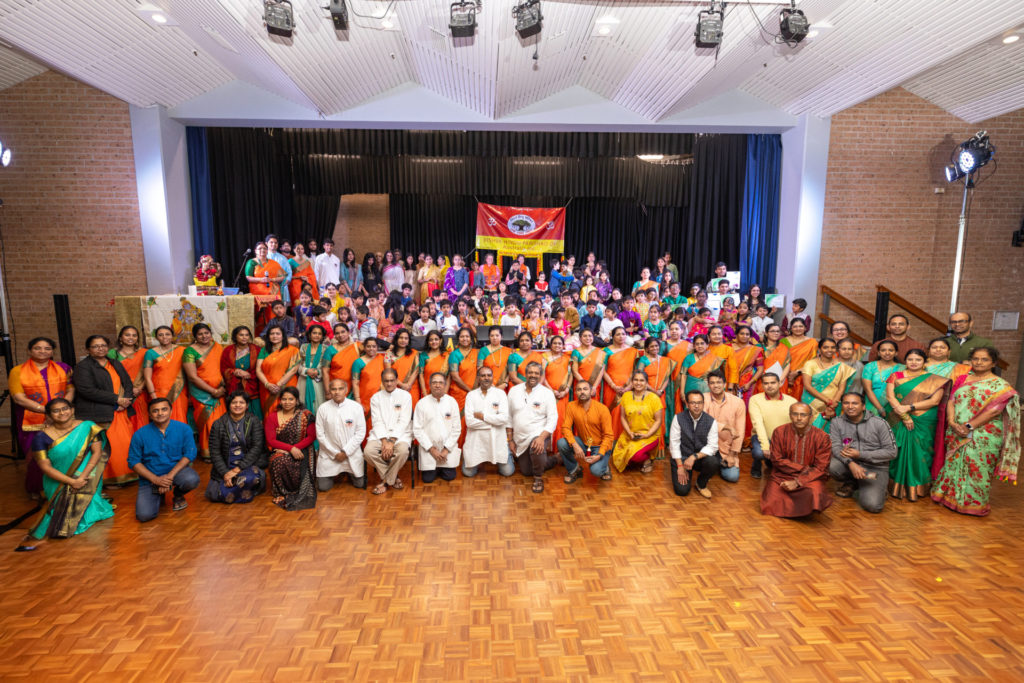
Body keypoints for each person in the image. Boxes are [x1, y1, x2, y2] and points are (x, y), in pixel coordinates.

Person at [931, 347, 1020, 516]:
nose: (979, 362)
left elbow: (994, 411)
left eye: (984, 359)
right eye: (976, 359)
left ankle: (974, 505)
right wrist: (951, 421)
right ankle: (948, 499)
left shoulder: (1001, 386)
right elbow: (951, 400)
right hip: (956, 429)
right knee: (953, 465)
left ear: (993, 363)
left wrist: (969, 427)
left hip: (984, 434)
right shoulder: (963, 379)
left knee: (977, 468)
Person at [15, 399, 112, 550]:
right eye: (56, 410)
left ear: (72, 410)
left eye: (65, 408)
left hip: (86, 476)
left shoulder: (88, 427)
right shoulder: (41, 437)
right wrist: (71, 481)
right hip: (57, 481)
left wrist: (82, 477)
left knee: (86, 510)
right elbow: (45, 467)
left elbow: (97, 452)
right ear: (48, 415)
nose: (62, 413)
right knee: (58, 519)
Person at [10, 337, 74, 496]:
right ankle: (37, 488)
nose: (43, 351)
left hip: (62, 418)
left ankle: (63, 486)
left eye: (47, 348)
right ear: (29, 351)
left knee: (62, 452)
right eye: (38, 348)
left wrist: (60, 410)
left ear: (53, 351)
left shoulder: (64, 368)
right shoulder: (18, 371)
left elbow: (70, 390)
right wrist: (47, 411)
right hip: (31, 420)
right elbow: (18, 397)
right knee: (37, 456)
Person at [73, 335, 136, 489]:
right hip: (99, 412)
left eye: (103, 345)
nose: (100, 348)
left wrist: (126, 400)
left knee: (125, 444)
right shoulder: (83, 367)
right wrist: (116, 399)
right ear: (88, 349)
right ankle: (109, 480)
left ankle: (128, 475)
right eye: (95, 346)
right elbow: (86, 390)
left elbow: (127, 383)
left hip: (121, 411)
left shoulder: (114, 363)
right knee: (107, 447)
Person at [886, 348, 947, 502]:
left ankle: (919, 487)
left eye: (918, 360)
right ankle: (895, 485)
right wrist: (904, 415)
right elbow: (890, 397)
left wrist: (909, 407)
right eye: (910, 359)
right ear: (905, 361)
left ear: (924, 362)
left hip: (924, 419)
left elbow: (934, 401)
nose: (914, 362)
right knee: (897, 450)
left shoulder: (934, 379)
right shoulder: (896, 376)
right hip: (898, 417)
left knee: (922, 451)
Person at [129, 398, 200, 521]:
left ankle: (178, 494)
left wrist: (169, 477)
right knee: (144, 515)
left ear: (171, 411)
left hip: (177, 473)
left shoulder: (184, 429)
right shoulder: (140, 434)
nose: (160, 413)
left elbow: (190, 454)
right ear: (150, 415)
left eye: (164, 409)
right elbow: (134, 462)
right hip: (151, 477)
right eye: (155, 411)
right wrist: (156, 480)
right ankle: (158, 493)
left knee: (191, 479)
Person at [760, 403, 833, 518]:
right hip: (782, 475)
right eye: (795, 414)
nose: (799, 418)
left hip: (810, 477)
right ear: (790, 415)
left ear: (811, 417)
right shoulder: (779, 432)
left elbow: (821, 467)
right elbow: (777, 459)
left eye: (803, 415)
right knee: (770, 503)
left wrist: (798, 482)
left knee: (815, 492)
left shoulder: (822, 437)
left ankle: (806, 509)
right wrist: (804, 469)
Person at [828, 393, 897, 513]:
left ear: (863, 406)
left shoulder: (879, 423)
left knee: (873, 506)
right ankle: (853, 481)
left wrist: (860, 454)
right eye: (846, 403)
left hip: (875, 468)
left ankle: (877, 485)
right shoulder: (836, 422)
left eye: (855, 403)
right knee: (830, 465)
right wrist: (851, 463)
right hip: (850, 464)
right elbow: (836, 447)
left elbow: (891, 452)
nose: (850, 406)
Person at [206, 390, 267, 504]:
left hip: (247, 465)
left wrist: (236, 470)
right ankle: (242, 491)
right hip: (226, 465)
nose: (238, 405)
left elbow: (256, 448)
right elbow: (214, 452)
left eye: (241, 402)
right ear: (229, 405)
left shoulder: (254, 421)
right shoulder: (218, 424)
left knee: (251, 478)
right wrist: (226, 473)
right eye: (234, 402)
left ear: (247, 405)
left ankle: (228, 492)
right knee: (213, 495)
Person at [507, 361, 559, 493]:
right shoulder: (514, 391)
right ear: (525, 374)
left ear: (541, 375)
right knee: (526, 471)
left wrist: (542, 438)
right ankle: (555, 459)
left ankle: (538, 479)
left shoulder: (547, 393)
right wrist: (510, 440)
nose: (533, 375)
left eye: (536, 373)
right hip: (519, 437)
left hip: (538, 433)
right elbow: (508, 417)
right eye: (530, 372)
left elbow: (553, 419)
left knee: (536, 447)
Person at [264, 386, 317, 510]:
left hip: (303, 450)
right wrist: (289, 449)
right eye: (284, 399)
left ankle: (299, 488)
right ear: (280, 401)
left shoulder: (306, 415)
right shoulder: (273, 416)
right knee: (277, 460)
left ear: (297, 401)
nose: (287, 402)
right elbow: (271, 440)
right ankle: (283, 491)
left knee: (297, 460)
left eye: (291, 399)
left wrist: (294, 449)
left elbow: (311, 436)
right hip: (281, 450)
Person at [365, 369, 414, 495]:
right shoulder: (376, 397)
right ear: (382, 381)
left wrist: (391, 441)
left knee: (402, 451)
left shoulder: (405, 396)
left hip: (401, 435)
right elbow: (377, 421)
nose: (389, 384)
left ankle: (386, 481)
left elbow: (404, 421)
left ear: (397, 380)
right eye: (386, 381)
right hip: (380, 435)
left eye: (392, 380)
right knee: (368, 452)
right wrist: (384, 441)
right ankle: (393, 477)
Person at [182, 323, 226, 462]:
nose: (204, 336)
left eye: (206, 333)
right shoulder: (189, 351)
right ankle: (208, 452)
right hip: (201, 393)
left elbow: (224, 367)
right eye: (200, 334)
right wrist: (213, 391)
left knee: (221, 422)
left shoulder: (217, 347)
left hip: (220, 391)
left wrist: (222, 388)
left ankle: (223, 451)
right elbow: (192, 377)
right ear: (195, 337)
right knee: (208, 423)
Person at [315, 378, 367, 491]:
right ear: (329, 391)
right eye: (333, 389)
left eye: (340, 389)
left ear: (346, 390)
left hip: (351, 453)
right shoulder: (322, 408)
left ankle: (347, 473)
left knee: (360, 484)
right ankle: (337, 473)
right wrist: (335, 453)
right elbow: (320, 435)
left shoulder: (356, 407)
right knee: (323, 487)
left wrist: (345, 452)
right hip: (330, 454)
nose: (337, 392)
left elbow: (360, 432)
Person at [462, 366, 514, 477]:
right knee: (468, 473)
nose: (486, 378)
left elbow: (504, 418)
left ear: (492, 377)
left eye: (489, 375)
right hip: (476, 440)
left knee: (507, 472)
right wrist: (493, 423)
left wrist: (483, 416)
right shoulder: (471, 395)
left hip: (496, 438)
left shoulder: (500, 394)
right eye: (483, 375)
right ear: (478, 378)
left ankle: (507, 453)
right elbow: (469, 422)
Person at [559, 379, 614, 483]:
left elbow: (609, 436)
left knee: (596, 471)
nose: (582, 392)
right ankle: (574, 469)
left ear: (591, 391)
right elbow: (565, 428)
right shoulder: (571, 406)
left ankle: (605, 467)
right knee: (562, 443)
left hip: (600, 446)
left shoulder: (602, 409)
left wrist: (599, 455)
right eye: (579, 389)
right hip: (584, 443)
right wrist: (575, 445)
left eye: (585, 389)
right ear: (575, 392)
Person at [611, 370, 664, 476]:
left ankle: (647, 460)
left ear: (646, 383)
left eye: (642, 380)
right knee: (618, 457)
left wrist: (647, 435)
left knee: (635, 456)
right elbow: (622, 417)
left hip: (650, 435)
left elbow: (659, 420)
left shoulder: (654, 398)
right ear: (632, 382)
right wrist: (629, 433)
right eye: (635, 380)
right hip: (631, 434)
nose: (638, 383)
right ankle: (638, 454)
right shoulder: (626, 396)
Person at [668, 390, 720, 498]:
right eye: (693, 403)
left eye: (699, 403)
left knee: (713, 461)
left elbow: (712, 446)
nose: (696, 406)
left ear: (703, 404)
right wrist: (680, 466)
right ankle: (685, 472)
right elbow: (674, 444)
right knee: (682, 491)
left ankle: (701, 484)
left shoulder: (711, 421)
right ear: (687, 404)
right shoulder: (678, 418)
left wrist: (694, 457)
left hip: (698, 458)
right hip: (681, 457)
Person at [414, 372, 462, 483]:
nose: (437, 385)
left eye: (440, 383)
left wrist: (446, 449)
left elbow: (457, 429)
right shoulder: (421, 403)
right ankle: (435, 467)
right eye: (434, 382)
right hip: (429, 449)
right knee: (428, 479)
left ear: (445, 385)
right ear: (429, 385)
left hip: (447, 449)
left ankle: (442, 466)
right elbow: (417, 430)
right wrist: (431, 449)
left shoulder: (452, 402)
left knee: (449, 477)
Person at [748, 372, 797, 479]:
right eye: (766, 383)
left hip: (783, 439)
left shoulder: (792, 401)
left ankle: (771, 461)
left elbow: (795, 426)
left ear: (780, 383)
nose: (769, 386)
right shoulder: (755, 400)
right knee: (759, 453)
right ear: (762, 385)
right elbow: (758, 424)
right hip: (761, 437)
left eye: (773, 383)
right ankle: (756, 465)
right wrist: (765, 446)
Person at [799, 338, 854, 432]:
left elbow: (841, 389)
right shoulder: (810, 364)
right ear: (819, 349)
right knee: (809, 433)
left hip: (834, 405)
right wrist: (828, 401)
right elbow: (807, 386)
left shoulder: (841, 367)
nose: (829, 350)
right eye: (826, 347)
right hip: (812, 404)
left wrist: (832, 405)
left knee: (829, 434)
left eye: (832, 347)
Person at [702, 371, 744, 483]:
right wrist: (726, 427)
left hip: (726, 448)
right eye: (712, 383)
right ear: (708, 385)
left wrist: (732, 454)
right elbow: (703, 423)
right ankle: (712, 464)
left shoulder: (738, 402)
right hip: (706, 447)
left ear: (725, 384)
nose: (716, 385)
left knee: (732, 477)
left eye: (719, 382)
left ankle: (720, 463)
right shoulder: (702, 399)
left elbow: (740, 431)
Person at [602, 327, 642, 439]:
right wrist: (613, 385)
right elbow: (602, 370)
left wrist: (630, 386)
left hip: (629, 387)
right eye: (618, 334)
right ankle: (611, 439)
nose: (621, 336)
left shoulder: (633, 351)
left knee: (627, 412)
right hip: (611, 387)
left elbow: (636, 371)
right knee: (613, 412)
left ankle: (627, 438)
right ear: (613, 336)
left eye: (623, 334)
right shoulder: (606, 351)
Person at [143, 325, 188, 423]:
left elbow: (190, 373)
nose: (164, 337)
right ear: (156, 337)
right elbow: (147, 378)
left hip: (178, 392)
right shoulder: (150, 353)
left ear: (172, 336)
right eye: (161, 335)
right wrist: (153, 396)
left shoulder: (182, 351)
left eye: (167, 334)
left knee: (179, 421)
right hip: (158, 393)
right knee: (160, 421)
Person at [108, 325, 148, 431]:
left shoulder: (144, 353)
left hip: (139, 393)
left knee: (141, 422)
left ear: (137, 339)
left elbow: (148, 373)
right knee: (123, 424)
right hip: (120, 393)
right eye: (127, 335)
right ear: (120, 338)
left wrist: (140, 388)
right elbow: (110, 374)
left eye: (134, 335)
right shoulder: (112, 354)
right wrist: (127, 390)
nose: (131, 337)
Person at [255, 325, 301, 415]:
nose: (274, 336)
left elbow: (293, 370)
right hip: (267, 387)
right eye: (272, 334)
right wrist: (267, 384)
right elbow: (258, 370)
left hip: (286, 386)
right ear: (268, 336)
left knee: (287, 411)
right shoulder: (264, 350)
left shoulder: (293, 350)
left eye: (277, 334)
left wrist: (279, 385)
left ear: (283, 336)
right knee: (269, 414)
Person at [861, 340, 903, 421]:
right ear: (879, 353)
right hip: (872, 403)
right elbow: (868, 390)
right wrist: (880, 409)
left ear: (896, 353)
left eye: (891, 350)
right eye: (883, 350)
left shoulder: (901, 368)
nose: (887, 353)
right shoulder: (870, 367)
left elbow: (902, 389)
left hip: (893, 406)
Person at [297, 323, 331, 414]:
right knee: (303, 402)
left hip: (319, 381)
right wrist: (306, 370)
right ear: (309, 335)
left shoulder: (326, 348)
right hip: (304, 379)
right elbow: (297, 365)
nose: (317, 335)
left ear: (322, 336)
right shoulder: (303, 347)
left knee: (319, 404)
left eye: (319, 334)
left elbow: (328, 366)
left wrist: (318, 372)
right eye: (314, 333)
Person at [782, 318, 817, 401]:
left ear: (805, 328)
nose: (798, 329)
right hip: (784, 376)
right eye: (795, 326)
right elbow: (779, 359)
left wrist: (797, 372)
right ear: (790, 328)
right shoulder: (783, 341)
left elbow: (814, 361)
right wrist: (788, 374)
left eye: (801, 326)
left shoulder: (812, 342)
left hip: (803, 376)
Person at [479, 325, 512, 392]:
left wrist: (505, 384)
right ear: (489, 337)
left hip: (504, 387)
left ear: (501, 337)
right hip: (487, 386)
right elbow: (479, 368)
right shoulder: (483, 351)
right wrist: (490, 384)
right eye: (492, 335)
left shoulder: (508, 351)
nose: (494, 338)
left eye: (497, 335)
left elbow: (511, 371)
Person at [328, 323, 360, 390]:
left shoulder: (357, 346)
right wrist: (327, 391)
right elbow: (325, 371)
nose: (340, 335)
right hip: (337, 388)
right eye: (337, 333)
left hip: (354, 386)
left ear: (348, 332)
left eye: (343, 332)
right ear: (335, 336)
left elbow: (372, 345)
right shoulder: (330, 349)